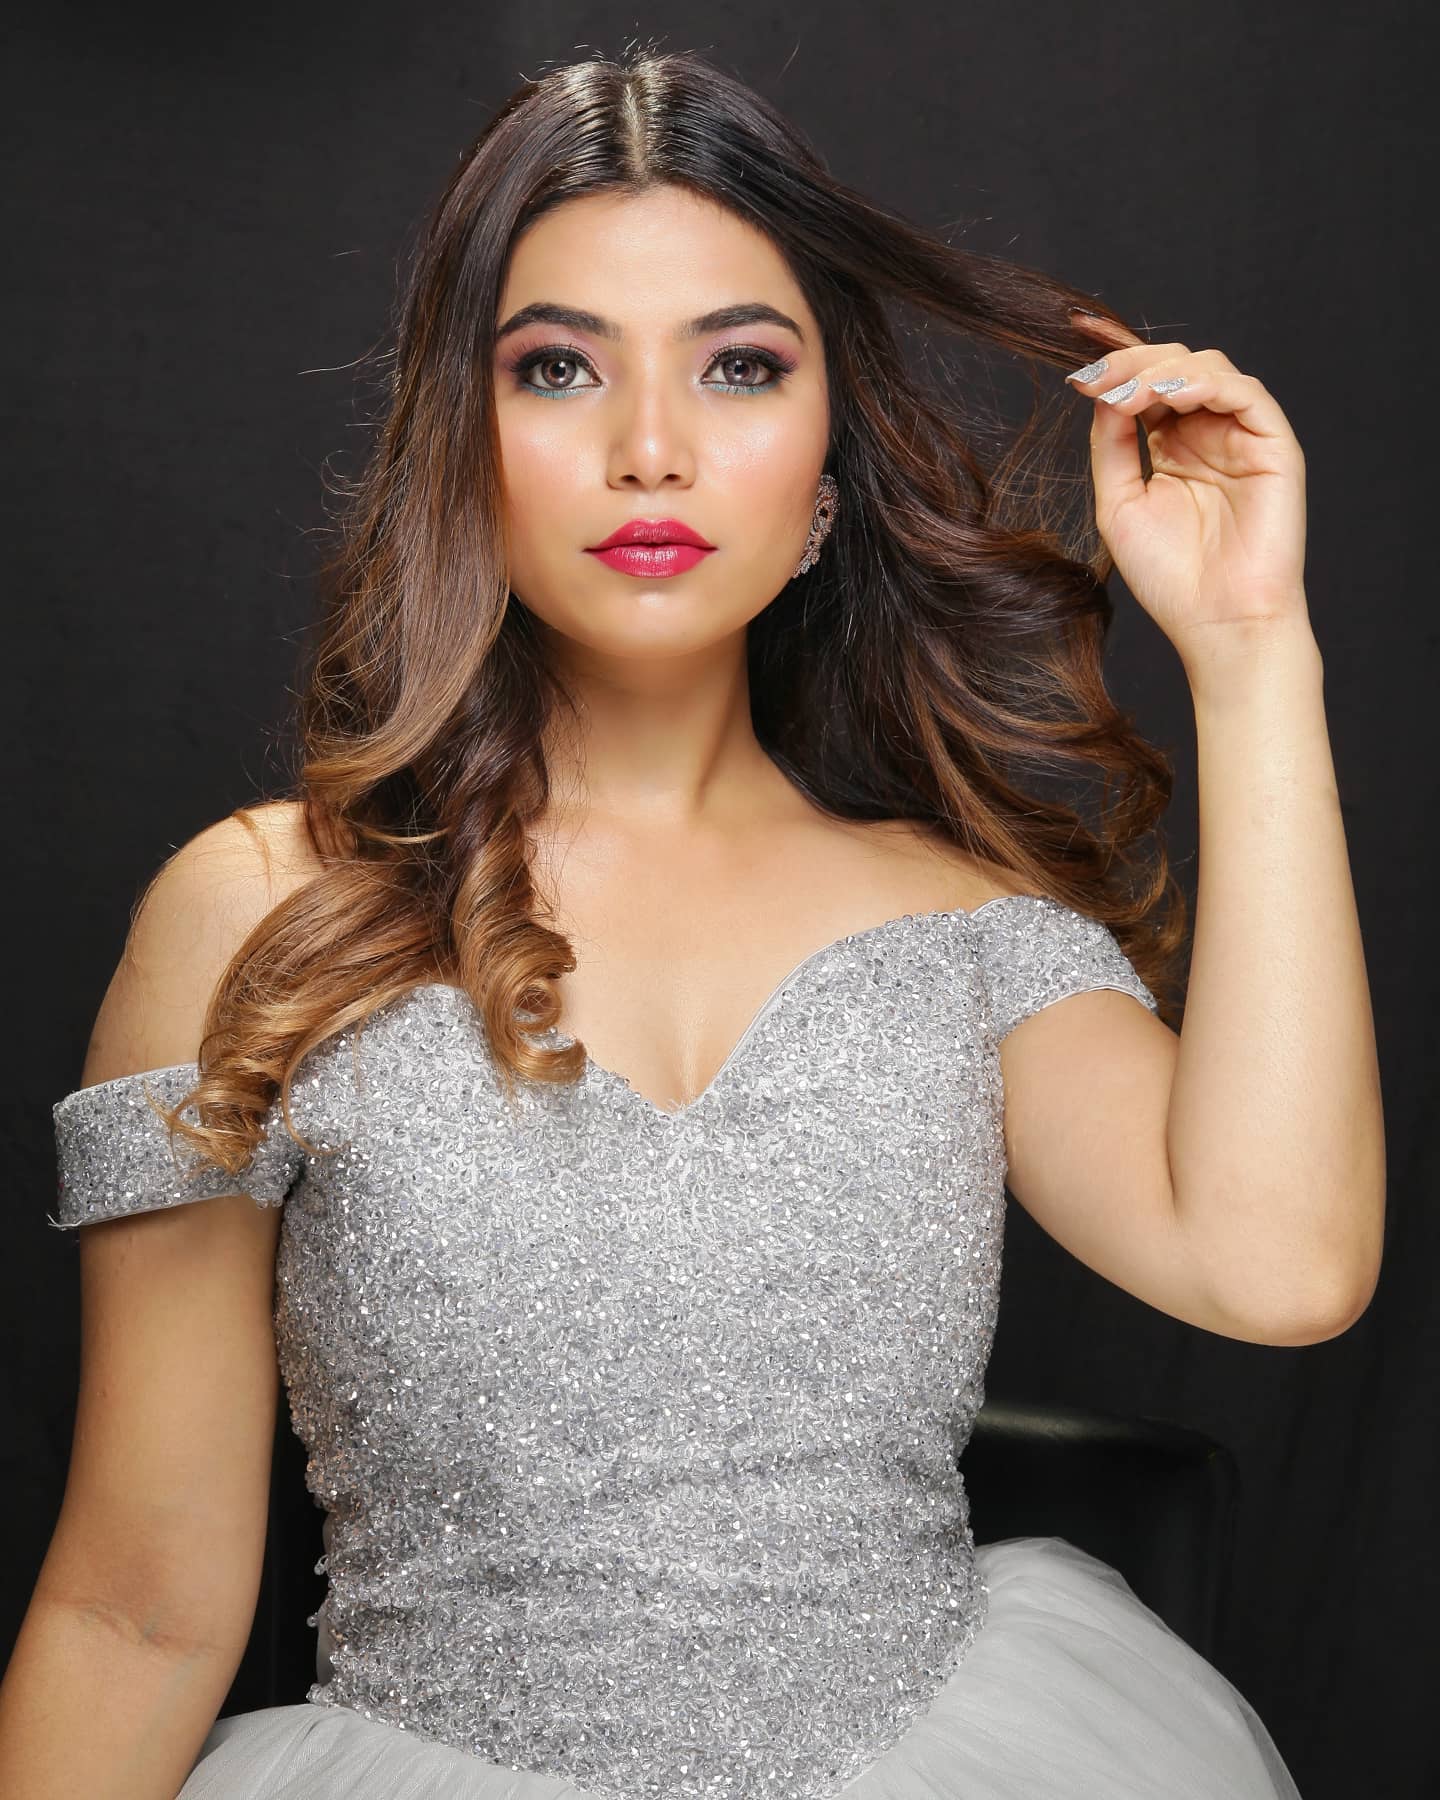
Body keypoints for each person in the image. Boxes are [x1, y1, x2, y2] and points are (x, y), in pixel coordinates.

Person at [0, 43, 1381, 1800]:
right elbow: (135, 1610)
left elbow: (1282, 1267)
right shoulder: (264, 912)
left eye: (739, 366)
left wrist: (1252, 650)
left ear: (826, 468)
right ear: (461, 446)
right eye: (557, 367)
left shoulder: (963, 923)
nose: (649, 449)